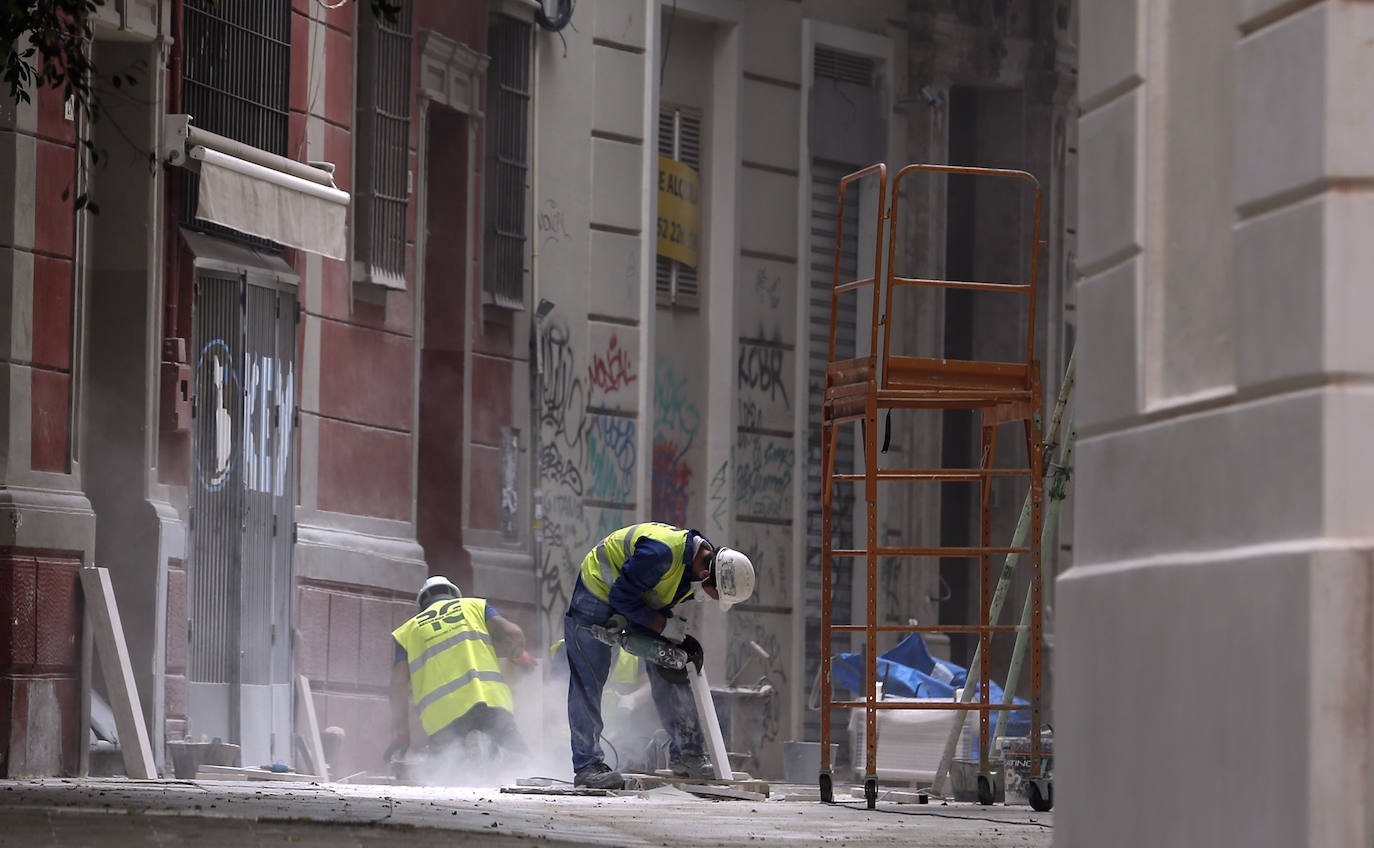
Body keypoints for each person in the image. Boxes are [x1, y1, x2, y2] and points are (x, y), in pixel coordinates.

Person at [563, 522, 756, 789]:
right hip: (596, 592)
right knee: (588, 679)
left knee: (673, 664)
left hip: (629, 596)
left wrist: (673, 634)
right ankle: (587, 766)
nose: (711, 598)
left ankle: (687, 755)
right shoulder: (662, 553)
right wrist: (663, 626)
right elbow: (622, 595)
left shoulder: (702, 566)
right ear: (705, 573)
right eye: (715, 594)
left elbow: (650, 597)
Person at [388, 575, 534, 768]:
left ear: (423, 604)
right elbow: (513, 634)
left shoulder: (406, 632)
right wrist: (517, 654)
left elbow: (398, 686)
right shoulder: (474, 607)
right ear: (454, 596)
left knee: (449, 779)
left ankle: (476, 756)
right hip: (490, 704)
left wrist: (402, 735)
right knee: (522, 767)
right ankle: (497, 758)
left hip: (443, 720)